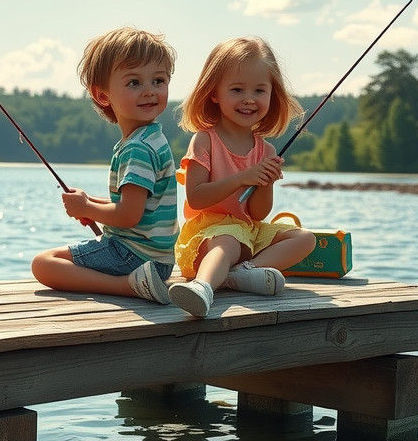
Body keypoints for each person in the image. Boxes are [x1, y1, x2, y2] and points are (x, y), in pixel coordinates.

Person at [169, 36, 316, 317]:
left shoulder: (266, 150)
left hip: (248, 232)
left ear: (272, 94)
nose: (249, 99)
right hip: (208, 235)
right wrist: (242, 178)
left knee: (305, 238)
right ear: (214, 93)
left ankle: (242, 273)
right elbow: (196, 198)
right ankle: (203, 286)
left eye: (259, 90)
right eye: (237, 90)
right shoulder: (205, 141)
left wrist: (266, 182)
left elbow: (258, 213)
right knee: (227, 241)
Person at [31, 27, 178, 304]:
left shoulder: (137, 148)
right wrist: (91, 203)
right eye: (134, 82)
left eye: (158, 80)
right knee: (52, 260)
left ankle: (127, 286)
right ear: (103, 95)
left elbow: (128, 216)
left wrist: (87, 208)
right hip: (159, 261)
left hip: (133, 256)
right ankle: (137, 282)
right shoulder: (153, 138)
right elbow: (135, 205)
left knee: (43, 263)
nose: (149, 91)